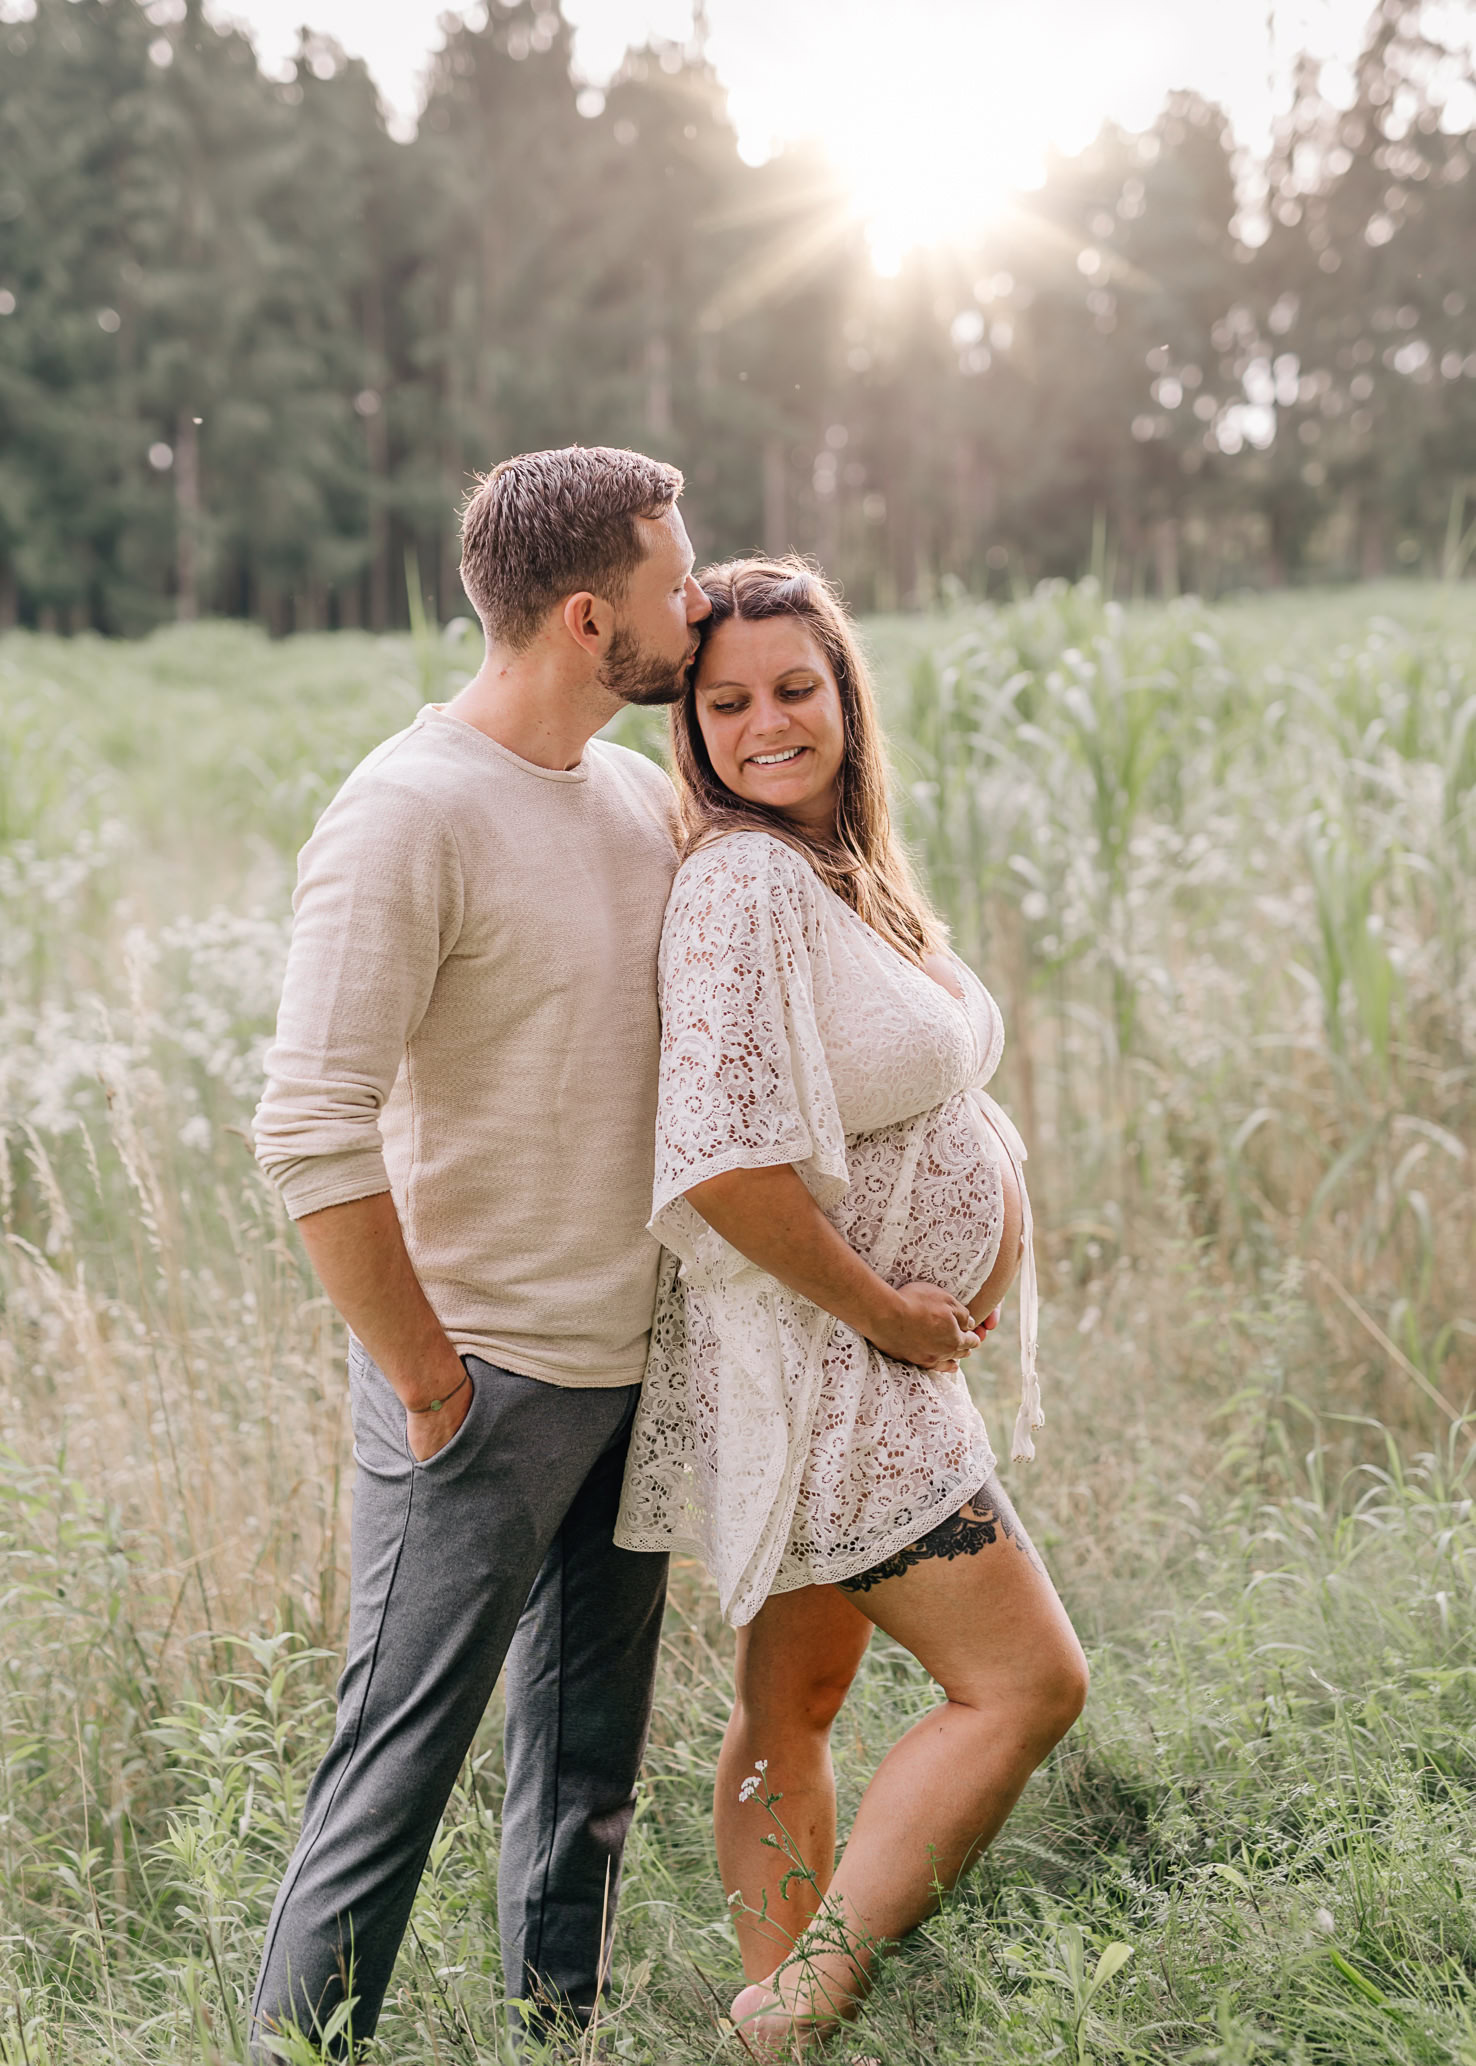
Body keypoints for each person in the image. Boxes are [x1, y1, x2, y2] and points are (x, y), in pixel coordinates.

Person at [248, 446, 711, 2057]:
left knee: (587, 1775)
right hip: (484, 1389)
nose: (697, 604)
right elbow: (309, 1127)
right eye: (675, 581)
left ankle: (553, 2040)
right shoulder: (406, 813)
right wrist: (431, 1383)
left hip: (637, 1369)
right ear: (591, 620)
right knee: (394, 1777)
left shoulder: (643, 796)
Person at [614, 556, 1089, 2054]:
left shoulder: (836, 865)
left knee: (793, 1703)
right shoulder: (741, 879)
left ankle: (776, 2007)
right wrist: (892, 1306)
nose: (766, 723)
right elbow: (723, 1163)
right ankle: (809, 1998)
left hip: (869, 1362)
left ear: (844, 696)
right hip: (836, 1372)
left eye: (795, 689)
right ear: (690, 725)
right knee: (1024, 1685)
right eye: (729, 700)